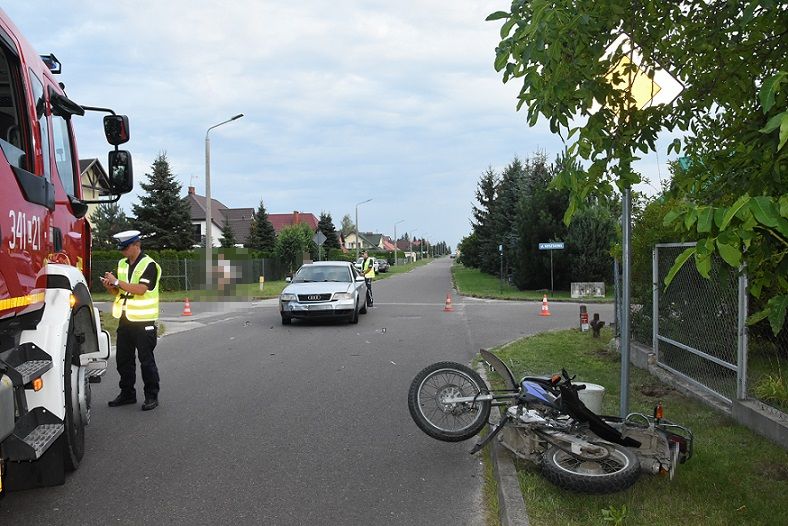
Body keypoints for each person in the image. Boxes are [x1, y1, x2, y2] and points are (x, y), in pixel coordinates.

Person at [101, 230, 162, 411]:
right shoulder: (122, 264)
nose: (123, 252)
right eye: (121, 249)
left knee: (146, 361)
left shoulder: (149, 265)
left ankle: (152, 395)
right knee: (123, 360)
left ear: (137, 245)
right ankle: (127, 393)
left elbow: (141, 289)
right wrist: (110, 286)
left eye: (126, 248)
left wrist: (117, 282)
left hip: (144, 321)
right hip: (125, 320)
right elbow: (119, 292)